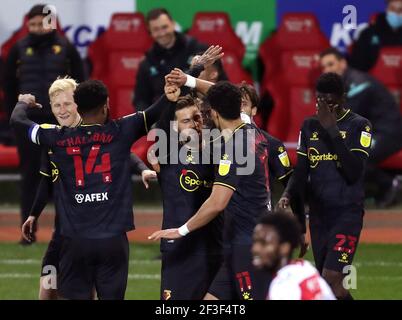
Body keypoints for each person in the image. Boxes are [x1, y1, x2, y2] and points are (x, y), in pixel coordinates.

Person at [10, 78, 178, 299]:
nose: (62, 109)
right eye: (57, 105)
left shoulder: (53, 138)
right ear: (106, 104)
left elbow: (17, 120)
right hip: (111, 240)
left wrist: (23, 102)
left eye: (67, 104)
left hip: (74, 239)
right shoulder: (120, 131)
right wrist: (179, 85)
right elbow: (155, 112)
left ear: (77, 105)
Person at [149, 81, 271, 300]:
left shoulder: (230, 147)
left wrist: (181, 230)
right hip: (226, 246)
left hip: (244, 243)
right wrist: (188, 78)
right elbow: (225, 94)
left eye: (200, 116)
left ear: (213, 113)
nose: (199, 122)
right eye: (187, 120)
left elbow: (217, 202)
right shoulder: (249, 130)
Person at [278, 73, 372, 300]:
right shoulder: (309, 126)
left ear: (343, 98)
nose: (325, 107)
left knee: (332, 277)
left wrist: (331, 129)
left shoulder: (360, 125)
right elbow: (301, 171)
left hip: (346, 214)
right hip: (319, 215)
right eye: (320, 101)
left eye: (330, 102)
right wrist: (289, 194)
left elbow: (353, 172)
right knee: (330, 287)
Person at [3, 4, 85, 244]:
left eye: (43, 23)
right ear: (27, 25)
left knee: (69, 176)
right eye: (33, 24)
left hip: (62, 123)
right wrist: (14, 120)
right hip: (29, 124)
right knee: (30, 176)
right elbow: (8, 88)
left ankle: (73, 230)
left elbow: (81, 82)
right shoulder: (18, 49)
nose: (38, 28)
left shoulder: (67, 48)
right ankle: (27, 233)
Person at [150, 94, 223, 300]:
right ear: (175, 128)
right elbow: (161, 119)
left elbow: (224, 99)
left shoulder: (219, 151)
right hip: (179, 251)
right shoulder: (168, 153)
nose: (194, 124)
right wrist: (185, 78)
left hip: (214, 247)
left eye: (196, 117)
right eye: (185, 120)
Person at [320, 47, 402, 207]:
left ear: (343, 64)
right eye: (324, 67)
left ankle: (390, 184)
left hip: (389, 133)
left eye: (331, 64)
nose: (327, 70)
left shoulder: (359, 83)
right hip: (370, 132)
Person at [133, 8, 207, 111]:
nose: (162, 33)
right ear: (150, 31)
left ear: (173, 24)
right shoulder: (147, 63)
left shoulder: (197, 49)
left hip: (199, 113)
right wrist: (149, 123)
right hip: (163, 119)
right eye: (156, 29)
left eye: (164, 27)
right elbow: (141, 100)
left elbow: (217, 83)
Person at [252, 212, 335, 300]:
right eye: (255, 241)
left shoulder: (284, 289)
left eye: (264, 243)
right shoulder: (304, 268)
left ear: (284, 248)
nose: (255, 249)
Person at [349, 0, 402, 72]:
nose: (395, 14)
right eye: (392, 9)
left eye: (400, 10)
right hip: (372, 82)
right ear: (387, 9)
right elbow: (356, 67)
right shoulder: (368, 34)